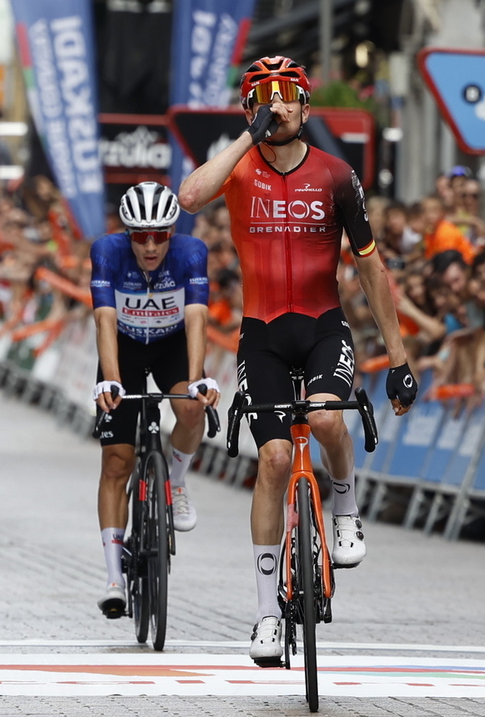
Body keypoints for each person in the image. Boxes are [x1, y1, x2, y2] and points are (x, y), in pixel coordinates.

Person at [176, 55, 418, 665]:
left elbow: (369, 266)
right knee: (275, 458)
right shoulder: (238, 169)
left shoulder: (336, 174)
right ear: (250, 108)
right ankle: (264, 616)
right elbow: (189, 196)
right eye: (265, 96)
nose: (278, 105)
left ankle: (345, 505)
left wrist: (399, 356)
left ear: (307, 106)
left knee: (330, 418)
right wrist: (246, 136)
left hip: (322, 326)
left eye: (288, 95)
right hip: (260, 333)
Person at [89, 181, 220, 619]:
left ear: (172, 232)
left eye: (159, 235)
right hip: (123, 349)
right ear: (127, 234)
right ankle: (113, 577)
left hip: (171, 346)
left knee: (190, 406)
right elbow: (104, 320)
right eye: (140, 236)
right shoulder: (106, 251)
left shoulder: (191, 252)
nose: (149, 246)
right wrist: (110, 381)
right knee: (117, 463)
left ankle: (176, 481)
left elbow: (197, 317)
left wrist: (197, 378)